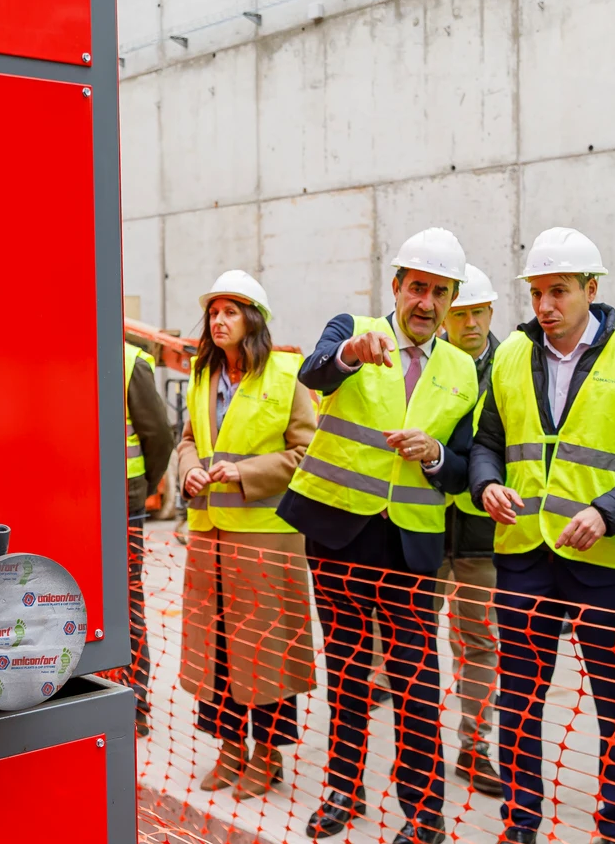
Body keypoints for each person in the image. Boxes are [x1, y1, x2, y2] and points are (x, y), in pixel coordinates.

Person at [469, 227, 615, 844]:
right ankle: (520, 821)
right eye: (536, 293)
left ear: (591, 287)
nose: (545, 305)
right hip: (524, 552)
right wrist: (486, 484)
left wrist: (608, 513)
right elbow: (487, 442)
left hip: (604, 556)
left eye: (558, 291)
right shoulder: (510, 355)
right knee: (520, 695)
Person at [279, 227, 481, 844]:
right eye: (417, 287)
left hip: (412, 545)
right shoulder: (353, 329)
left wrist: (437, 455)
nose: (426, 302)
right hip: (339, 534)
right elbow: (314, 374)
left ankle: (424, 813)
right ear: (396, 286)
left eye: (440, 292)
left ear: (451, 299)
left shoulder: (464, 369)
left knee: (417, 680)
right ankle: (344, 787)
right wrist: (348, 355)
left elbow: (465, 468)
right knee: (346, 673)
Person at [174, 271, 318, 800]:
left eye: (230, 311)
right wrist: (189, 469)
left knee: (265, 650)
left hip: (265, 539)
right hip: (209, 536)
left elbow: (307, 452)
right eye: (213, 312)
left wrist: (244, 472)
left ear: (253, 319)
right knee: (217, 650)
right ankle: (231, 748)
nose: (218, 320)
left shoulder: (287, 374)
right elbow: (188, 440)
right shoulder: (201, 375)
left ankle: (268, 756)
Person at [438, 264, 503, 798]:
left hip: (484, 535)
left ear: (491, 312)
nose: (470, 324)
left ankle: (474, 747)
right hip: (426, 527)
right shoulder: (425, 366)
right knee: (411, 641)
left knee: (479, 643)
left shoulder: (513, 369)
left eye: (478, 312)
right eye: (460, 314)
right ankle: (417, 745)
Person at [124, 337, 176, 737]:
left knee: (125, 602)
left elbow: (159, 437)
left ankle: (134, 701)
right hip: (69, 507)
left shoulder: (129, 362)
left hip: (121, 506)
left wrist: (143, 487)